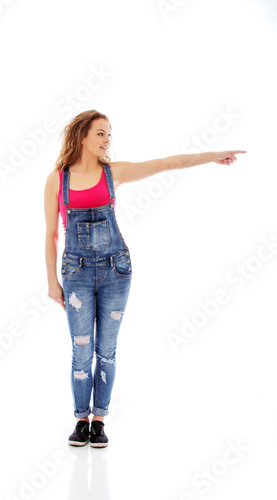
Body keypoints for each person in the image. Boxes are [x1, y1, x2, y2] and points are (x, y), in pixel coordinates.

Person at [44, 109, 246, 447]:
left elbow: (167, 163)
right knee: (81, 351)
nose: (108, 140)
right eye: (101, 133)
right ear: (82, 137)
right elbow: (50, 233)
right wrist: (52, 281)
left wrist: (213, 155)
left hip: (116, 271)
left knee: (106, 350)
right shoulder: (57, 179)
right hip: (76, 274)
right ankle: (81, 419)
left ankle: (99, 420)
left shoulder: (114, 173)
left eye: (109, 134)